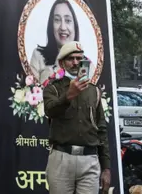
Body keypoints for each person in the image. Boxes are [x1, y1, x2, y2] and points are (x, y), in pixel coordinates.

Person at [43, 41, 110, 193]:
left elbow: (101, 129)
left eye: (79, 59)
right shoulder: (53, 87)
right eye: (70, 59)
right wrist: (68, 96)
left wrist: (106, 167)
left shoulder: (94, 91)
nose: (75, 63)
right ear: (62, 63)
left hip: (90, 160)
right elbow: (50, 111)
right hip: (61, 158)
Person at [30, 0, 95, 84]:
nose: (63, 27)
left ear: (74, 26)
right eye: (57, 20)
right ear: (51, 25)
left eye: (68, 20)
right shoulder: (38, 56)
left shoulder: (87, 65)